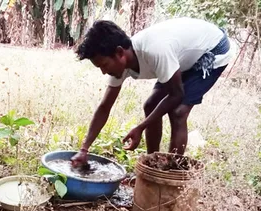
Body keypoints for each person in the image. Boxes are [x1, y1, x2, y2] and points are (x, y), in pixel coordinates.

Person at [70, 17, 235, 167]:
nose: (104, 72)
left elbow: (177, 95)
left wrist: (141, 127)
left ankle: (170, 173)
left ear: (120, 53)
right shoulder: (121, 63)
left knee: (178, 112)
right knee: (150, 105)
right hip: (182, 56)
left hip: (212, 49)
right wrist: (84, 149)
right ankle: (152, 165)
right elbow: (105, 107)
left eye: (104, 65)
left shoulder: (154, 51)